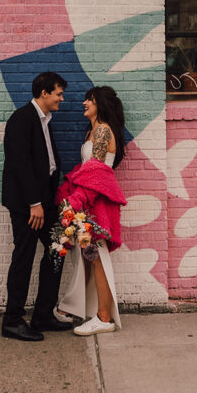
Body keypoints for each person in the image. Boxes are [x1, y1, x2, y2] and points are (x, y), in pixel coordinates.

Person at [0, 71, 74, 341]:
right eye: (58, 94)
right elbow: (20, 164)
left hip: (44, 204)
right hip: (27, 206)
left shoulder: (44, 120)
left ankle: (43, 314)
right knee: (24, 256)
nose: (61, 99)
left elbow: (45, 163)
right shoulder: (21, 119)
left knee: (58, 248)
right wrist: (34, 203)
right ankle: (12, 320)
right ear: (44, 93)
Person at [55, 86, 128, 336]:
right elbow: (87, 170)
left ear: (101, 104)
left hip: (95, 203)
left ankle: (104, 318)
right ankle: (73, 308)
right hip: (87, 202)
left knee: (97, 259)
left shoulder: (103, 130)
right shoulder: (93, 130)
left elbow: (96, 175)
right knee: (88, 258)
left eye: (90, 99)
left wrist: (74, 202)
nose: (85, 102)